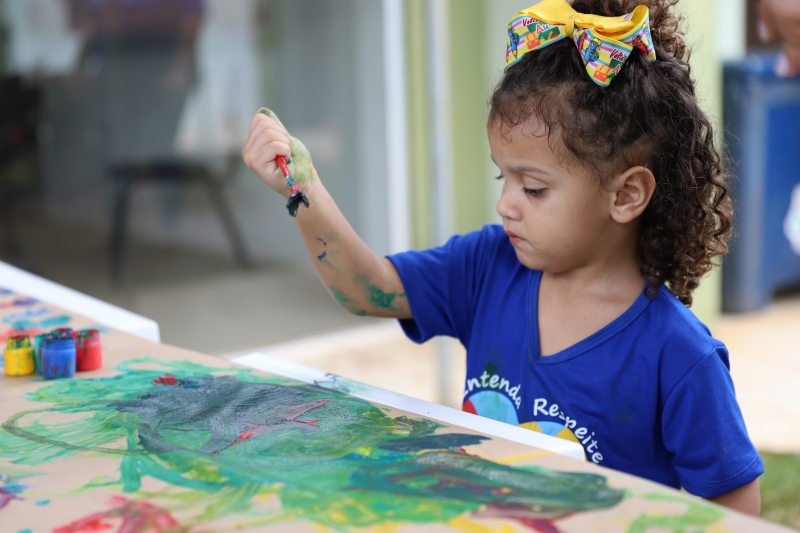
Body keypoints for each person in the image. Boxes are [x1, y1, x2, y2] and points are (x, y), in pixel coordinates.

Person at [242, 0, 762, 516]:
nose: (505, 204)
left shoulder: (679, 355)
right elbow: (365, 288)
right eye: (502, 177)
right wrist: (303, 189)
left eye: (533, 188)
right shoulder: (488, 267)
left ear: (626, 195)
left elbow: (735, 506)